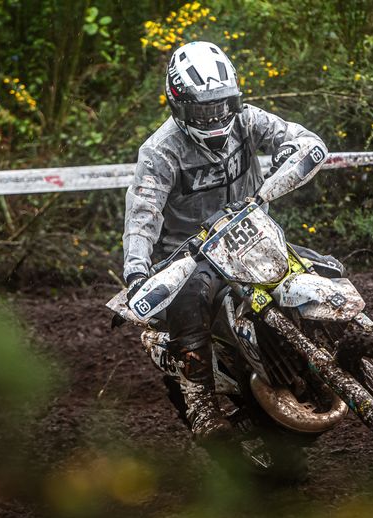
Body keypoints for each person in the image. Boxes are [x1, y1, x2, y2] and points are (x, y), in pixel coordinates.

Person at [123, 40, 328, 444]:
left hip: (250, 236)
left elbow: (298, 137)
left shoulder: (247, 121)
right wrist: (136, 269)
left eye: (220, 105)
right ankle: (200, 402)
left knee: (324, 265)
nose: (214, 116)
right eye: (202, 109)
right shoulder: (160, 151)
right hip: (190, 254)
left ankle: (336, 349)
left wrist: (292, 150)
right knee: (190, 298)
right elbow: (143, 213)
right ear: (179, 105)